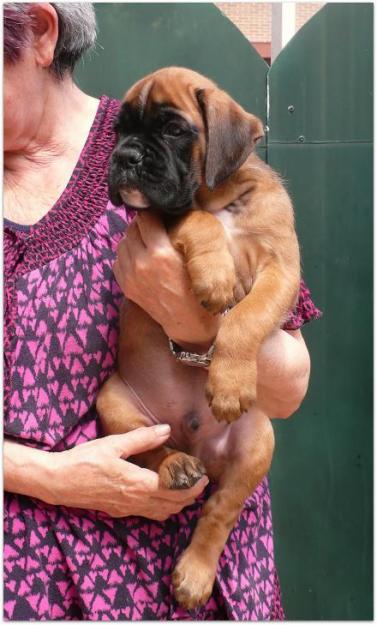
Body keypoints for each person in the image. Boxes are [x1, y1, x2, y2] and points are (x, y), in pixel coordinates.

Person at [3, 3, 321, 620]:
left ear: (39, 33)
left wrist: (195, 328)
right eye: (127, 138)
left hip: (193, 564)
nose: (129, 153)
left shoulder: (196, 181)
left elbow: (286, 394)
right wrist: (43, 475)